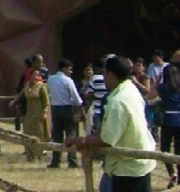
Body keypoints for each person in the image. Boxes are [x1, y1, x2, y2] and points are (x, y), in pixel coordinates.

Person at [67, 56, 156, 192]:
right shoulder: (130, 89)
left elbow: (108, 139)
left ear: (111, 75)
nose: (102, 77)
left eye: (104, 73)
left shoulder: (118, 101)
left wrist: (82, 140)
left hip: (128, 169)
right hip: (139, 162)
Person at [147, 57, 180, 188]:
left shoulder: (163, 87)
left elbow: (149, 95)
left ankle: (172, 173)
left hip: (168, 121)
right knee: (178, 152)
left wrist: (157, 81)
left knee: (164, 150)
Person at [46, 59, 82, 169]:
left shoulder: (51, 79)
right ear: (65, 68)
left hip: (55, 108)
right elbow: (75, 97)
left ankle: (55, 161)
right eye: (70, 69)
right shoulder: (68, 80)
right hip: (67, 108)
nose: (71, 72)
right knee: (71, 134)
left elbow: (49, 92)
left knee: (57, 135)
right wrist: (80, 110)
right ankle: (72, 160)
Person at [12, 68, 50, 161]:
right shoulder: (27, 86)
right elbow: (20, 95)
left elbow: (46, 101)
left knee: (39, 132)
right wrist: (14, 101)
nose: (35, 77)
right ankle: (30, 153)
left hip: (39, 113)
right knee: (28, 132)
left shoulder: (42, 86)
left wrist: (45, 111)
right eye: (33, 75)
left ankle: (40, 152)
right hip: (29, 113)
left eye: (37, 75)